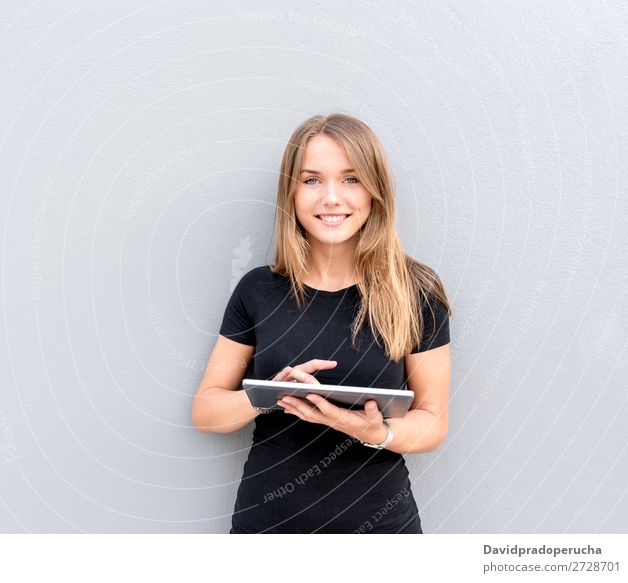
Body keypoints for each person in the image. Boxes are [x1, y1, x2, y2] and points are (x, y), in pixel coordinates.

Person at [191, 113, 452, 534]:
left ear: (375, 192)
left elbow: (432, 421)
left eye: (351, 179)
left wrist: (376, 431)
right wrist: (271, 393)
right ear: (291, 193)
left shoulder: (415, 291)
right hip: (268, 529)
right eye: (312, 180)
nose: (331, 198)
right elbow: (207, 411)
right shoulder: (258, 289)